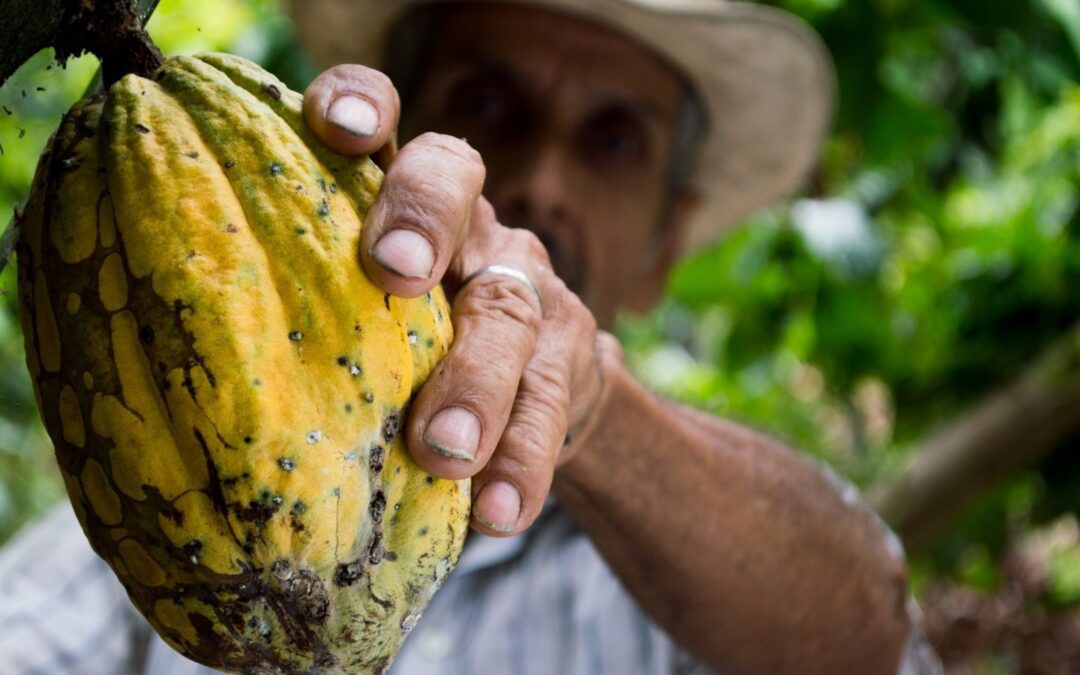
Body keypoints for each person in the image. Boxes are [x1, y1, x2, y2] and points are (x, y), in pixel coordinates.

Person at [0, 1, 942, 673]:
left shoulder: (692, 589)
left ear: (666, 245)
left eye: (614, 139)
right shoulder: (165, 484)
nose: (542, 181)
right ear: (381, 138)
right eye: (488, 105)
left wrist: (589, 408)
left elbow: (867, 636)